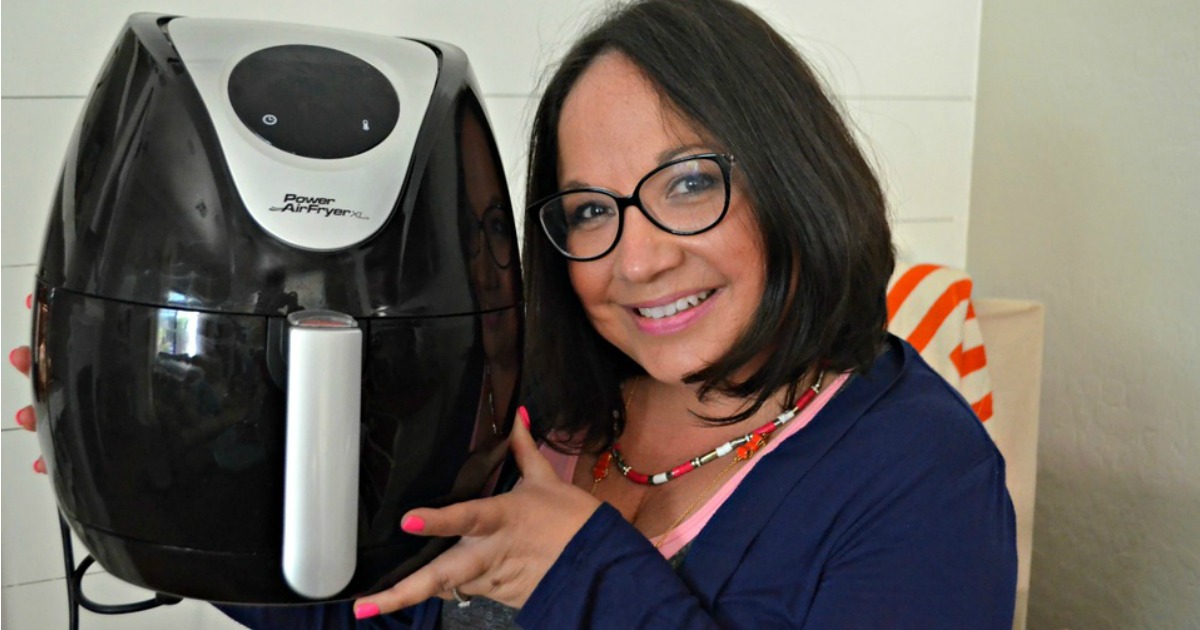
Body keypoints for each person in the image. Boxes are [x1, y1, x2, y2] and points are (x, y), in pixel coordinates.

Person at [11, 0, 1017, 627]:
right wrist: (181, 493)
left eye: (686, 184)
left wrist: (573, 574)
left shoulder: (923, 478)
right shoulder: (546, 409)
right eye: (588, 210)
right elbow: (377, 605)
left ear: (793, 178)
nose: (638, 258)